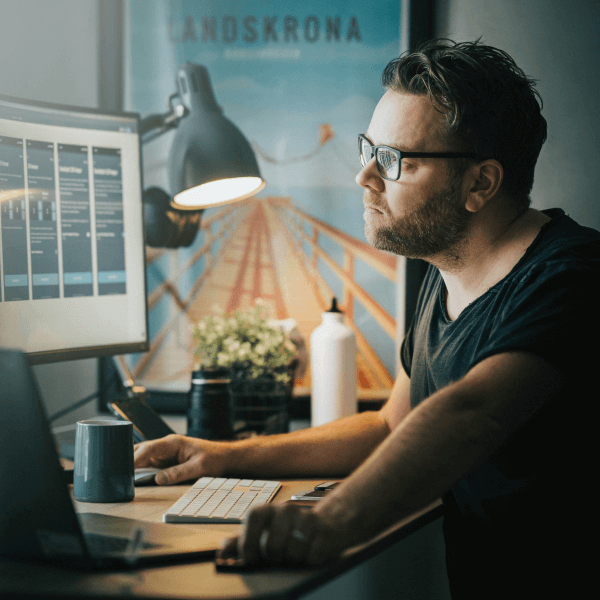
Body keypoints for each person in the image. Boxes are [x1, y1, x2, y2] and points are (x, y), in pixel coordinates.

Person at [135, 39, 597, 598]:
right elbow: (389, 425)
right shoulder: (446, 273)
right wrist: (225, 457)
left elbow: (472, 413)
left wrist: (332, 522)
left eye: (395, 160)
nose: (364, 177)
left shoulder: (573, 276)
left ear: (481, 183)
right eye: (368, 149)